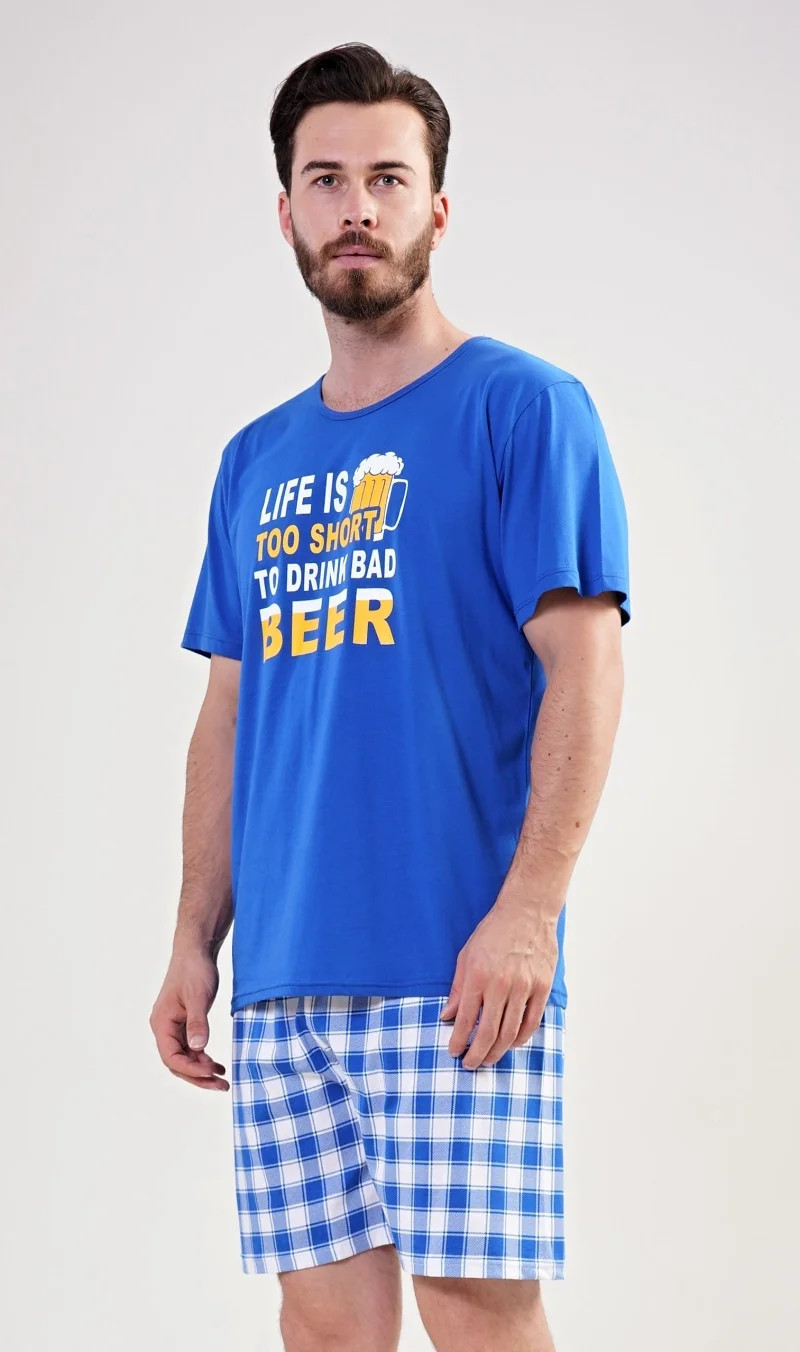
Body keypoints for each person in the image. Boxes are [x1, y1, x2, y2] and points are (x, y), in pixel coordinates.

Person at [150, 40, 631, 1352]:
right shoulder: (255, 459)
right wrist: (196, 937)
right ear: (286, 212)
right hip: (286, 973)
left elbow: (586, 665)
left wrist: (528, 914)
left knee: (477, 1318)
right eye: (326, 179)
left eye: (387, 178)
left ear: (438, 207)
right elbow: (231, 714)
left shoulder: (525, 409)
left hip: (458, 967)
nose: (355, 206)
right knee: (322, 1330)